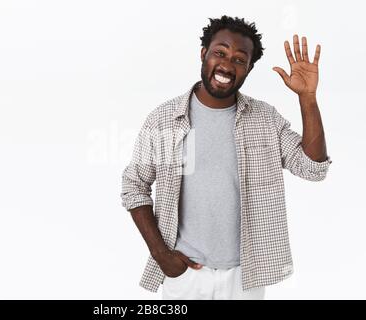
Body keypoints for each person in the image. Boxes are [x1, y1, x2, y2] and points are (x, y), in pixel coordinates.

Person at [120, 15, 332, 300]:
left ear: (248, 69)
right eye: (220, 53)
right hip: (185, 275)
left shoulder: (265, 119)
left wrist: (307, 98)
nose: (227, 65)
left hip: (245, 277)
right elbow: (134, 185)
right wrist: (162, 255)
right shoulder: (163, 119)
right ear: (203, 53)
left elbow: (313, 169)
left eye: (239, 60)